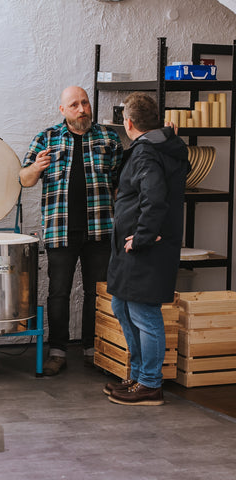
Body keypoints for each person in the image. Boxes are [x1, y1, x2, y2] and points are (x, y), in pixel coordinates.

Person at [20, 86, 123, 375]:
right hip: (60, 230)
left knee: (97, 292)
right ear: (63, 110)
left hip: (100, 229)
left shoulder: (109, 138)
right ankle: (57, 352)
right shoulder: (46, 138)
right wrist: (37, 168)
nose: (82, 109)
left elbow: (120, 182)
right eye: (75, 105)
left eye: (85, 103)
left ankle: (94, 349)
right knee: (58, 293)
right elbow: (24, 179)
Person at [105, 92, 189, 405]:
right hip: (136, 246)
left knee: (143, 311)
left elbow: (154, 198)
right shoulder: (160, 144)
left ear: (128, 123)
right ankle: (139, 376)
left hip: (142, 247)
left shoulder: (146, 152)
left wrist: (142, 236)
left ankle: (150, 383)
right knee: (122, 306)